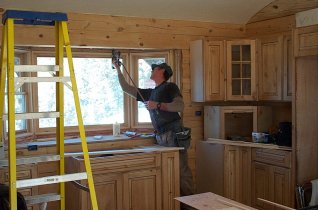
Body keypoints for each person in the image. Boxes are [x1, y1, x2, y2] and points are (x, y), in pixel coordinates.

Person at [113, 61, 194, 198]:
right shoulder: (151, 93)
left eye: (154, 68)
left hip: (173, 136)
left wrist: (157, 105)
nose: (151, 70)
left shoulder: (170, 87)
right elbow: (126, 88)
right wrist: (118, 69)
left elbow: (179, 106)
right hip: (161, 137)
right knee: (166, 174)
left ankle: (191, 207)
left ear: (162, 71)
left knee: (181, 173)